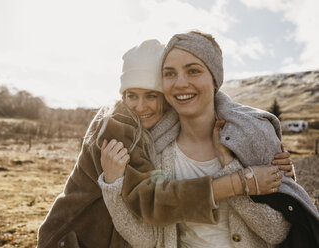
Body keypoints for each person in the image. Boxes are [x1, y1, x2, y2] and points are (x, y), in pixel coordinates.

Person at [37, 39, 294, 248]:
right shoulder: (119, 126)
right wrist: (238, 182)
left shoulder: (195, 126)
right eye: (131, 96)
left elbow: (279, 226)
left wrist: (264, 162)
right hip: (76, 237)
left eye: (151, 95)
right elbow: (149, 201)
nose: (140, 106)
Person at [99, 32, 319, 248]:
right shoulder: (158, 150)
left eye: (193, 71)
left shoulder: (253, 135)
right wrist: (112, 187)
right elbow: (147, 240)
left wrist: (229, 167)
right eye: (169, 73)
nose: (180, 83)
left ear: (215, 79)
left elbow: (276, 232)